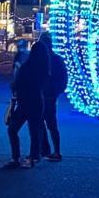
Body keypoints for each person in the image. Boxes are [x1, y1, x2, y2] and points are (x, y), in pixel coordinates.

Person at [3, 40, 50, 168]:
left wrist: (15, 87)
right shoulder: (44, 69)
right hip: (37, 101)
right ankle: (33, 158)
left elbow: (17, 83)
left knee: (13, 129)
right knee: (35, 131)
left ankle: (15, 157)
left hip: (24, 102)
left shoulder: (27, 66)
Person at [38, 31, 67, 161]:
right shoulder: (56, 59)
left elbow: (63, 80)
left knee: (47, 123)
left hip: (45, 96)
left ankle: (51, 150)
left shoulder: (52, 60)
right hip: (46, 95)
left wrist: (54, 90)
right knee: (45, 124)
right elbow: (63, 80)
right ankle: (48, 150)